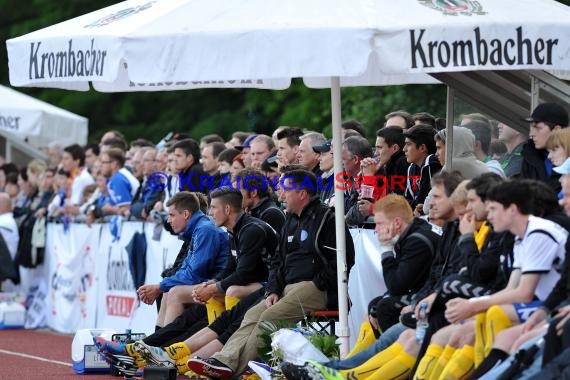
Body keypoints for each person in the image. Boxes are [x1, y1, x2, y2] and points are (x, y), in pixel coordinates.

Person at [187, 169, 355, 378]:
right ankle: (223, 361)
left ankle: (235, 370)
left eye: (284, 190)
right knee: (252, 314)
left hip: (319, 289)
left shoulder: (328, 219)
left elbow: (345, 260)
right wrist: (274, 289)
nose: (280, 195)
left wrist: (318, 282)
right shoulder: (290, 221)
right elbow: (277, 261)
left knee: (270, 316)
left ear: (302, 193)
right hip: (287, 287)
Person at [137, 191, 228, 328]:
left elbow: (194, 275)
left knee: (174, 293)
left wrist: (159, 286)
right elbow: (185, 269)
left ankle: (164, 345)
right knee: (169, 291)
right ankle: (155, 342)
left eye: (172, 215)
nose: (168, 220)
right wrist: (162, 286)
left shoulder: (205, 230)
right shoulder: (199, 228)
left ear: (185, 214)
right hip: (209, 284)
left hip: (219, 286)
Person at [521, 102, 569, 192]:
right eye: (531, 128)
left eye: (538, 128)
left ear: (556, 130)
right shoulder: (529, 156)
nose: (531, 134)